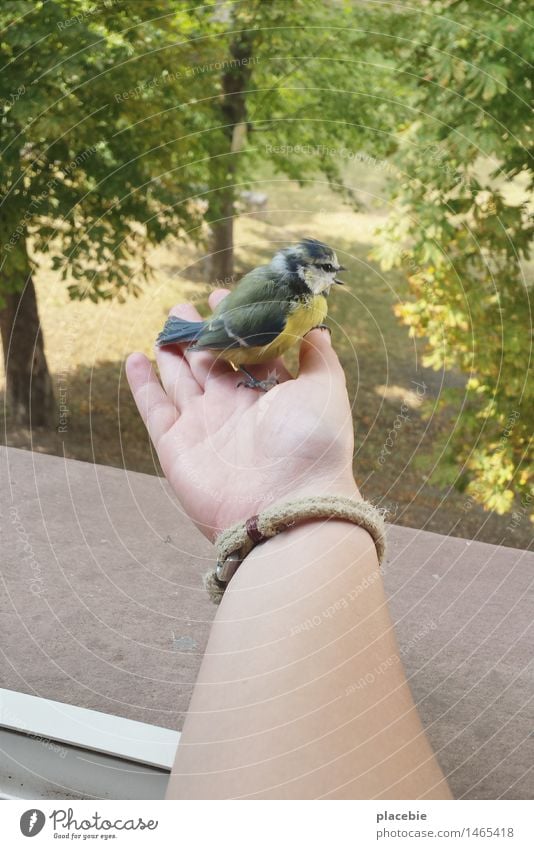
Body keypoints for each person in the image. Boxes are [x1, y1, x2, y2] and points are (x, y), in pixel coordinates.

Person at [126, 289, 452, 800]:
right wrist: (305, 496)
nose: (333, 280)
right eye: (323, 272)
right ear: (302, 278)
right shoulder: (290, 311)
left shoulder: (302, 310)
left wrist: (297, 492)